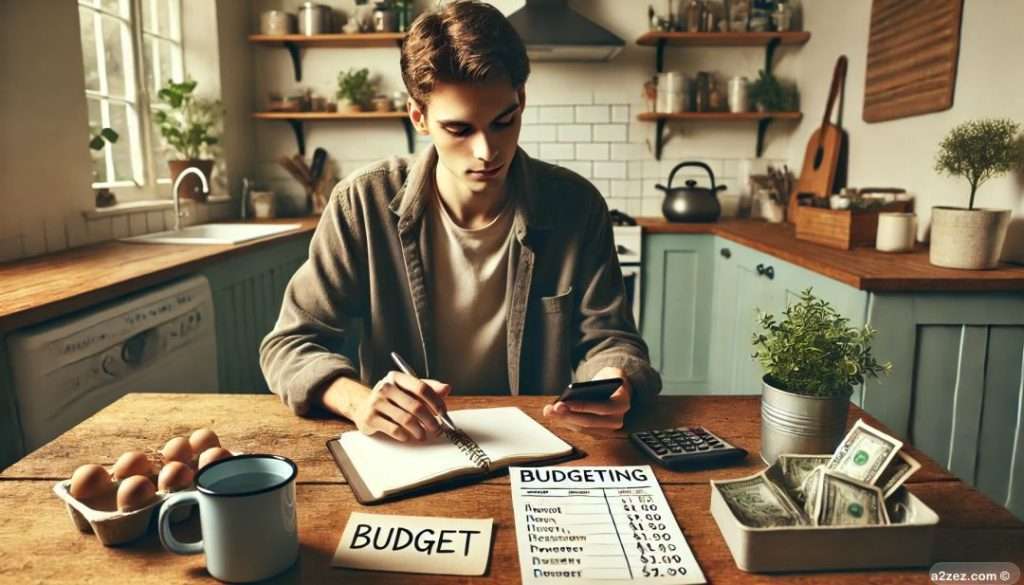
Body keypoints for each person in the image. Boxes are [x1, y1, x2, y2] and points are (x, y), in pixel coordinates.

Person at [259, 0, 660, 442]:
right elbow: (289, 345)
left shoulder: (576, 205)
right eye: (460, 130)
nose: (487, 152)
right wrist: (360, 402)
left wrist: (615, 382)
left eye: (503, 122)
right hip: (409, 449)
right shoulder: (361, 204)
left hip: (537, 444)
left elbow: (611, 339)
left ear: (521, 100)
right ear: (419, 117)